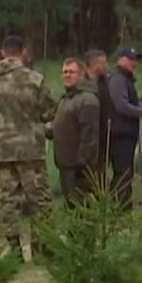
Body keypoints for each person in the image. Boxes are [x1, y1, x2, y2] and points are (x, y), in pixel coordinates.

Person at [0, 36, 57, 241]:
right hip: (30, 147)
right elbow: (50, 111)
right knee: (38, 197)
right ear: (23, 52)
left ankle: (13, 245)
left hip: (3, 147)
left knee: (9, 199)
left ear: (3, 53)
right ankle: (43, 245)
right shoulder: (34, 80)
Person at [51, 57, 103, 202]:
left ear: (81, 75)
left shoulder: (87, 100)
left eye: (71, 72)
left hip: (78, 167)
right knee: (70, 204)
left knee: (80, 205)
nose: (67, 75)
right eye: (64, 72)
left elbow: (90, 135)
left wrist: (83, 163)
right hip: (65, 163)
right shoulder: (66, 99)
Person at [106, 47, 142, 198]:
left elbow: (135, 103)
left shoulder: (126, 79)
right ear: (120, 60)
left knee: (125, 173)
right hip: (120, 135)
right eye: (130, 59)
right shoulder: (118, 79)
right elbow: (122, 106)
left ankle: (121, 206)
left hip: (125, 134)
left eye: (135, 59)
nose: (134, 63)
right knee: (123, 175)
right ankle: (120, 209)